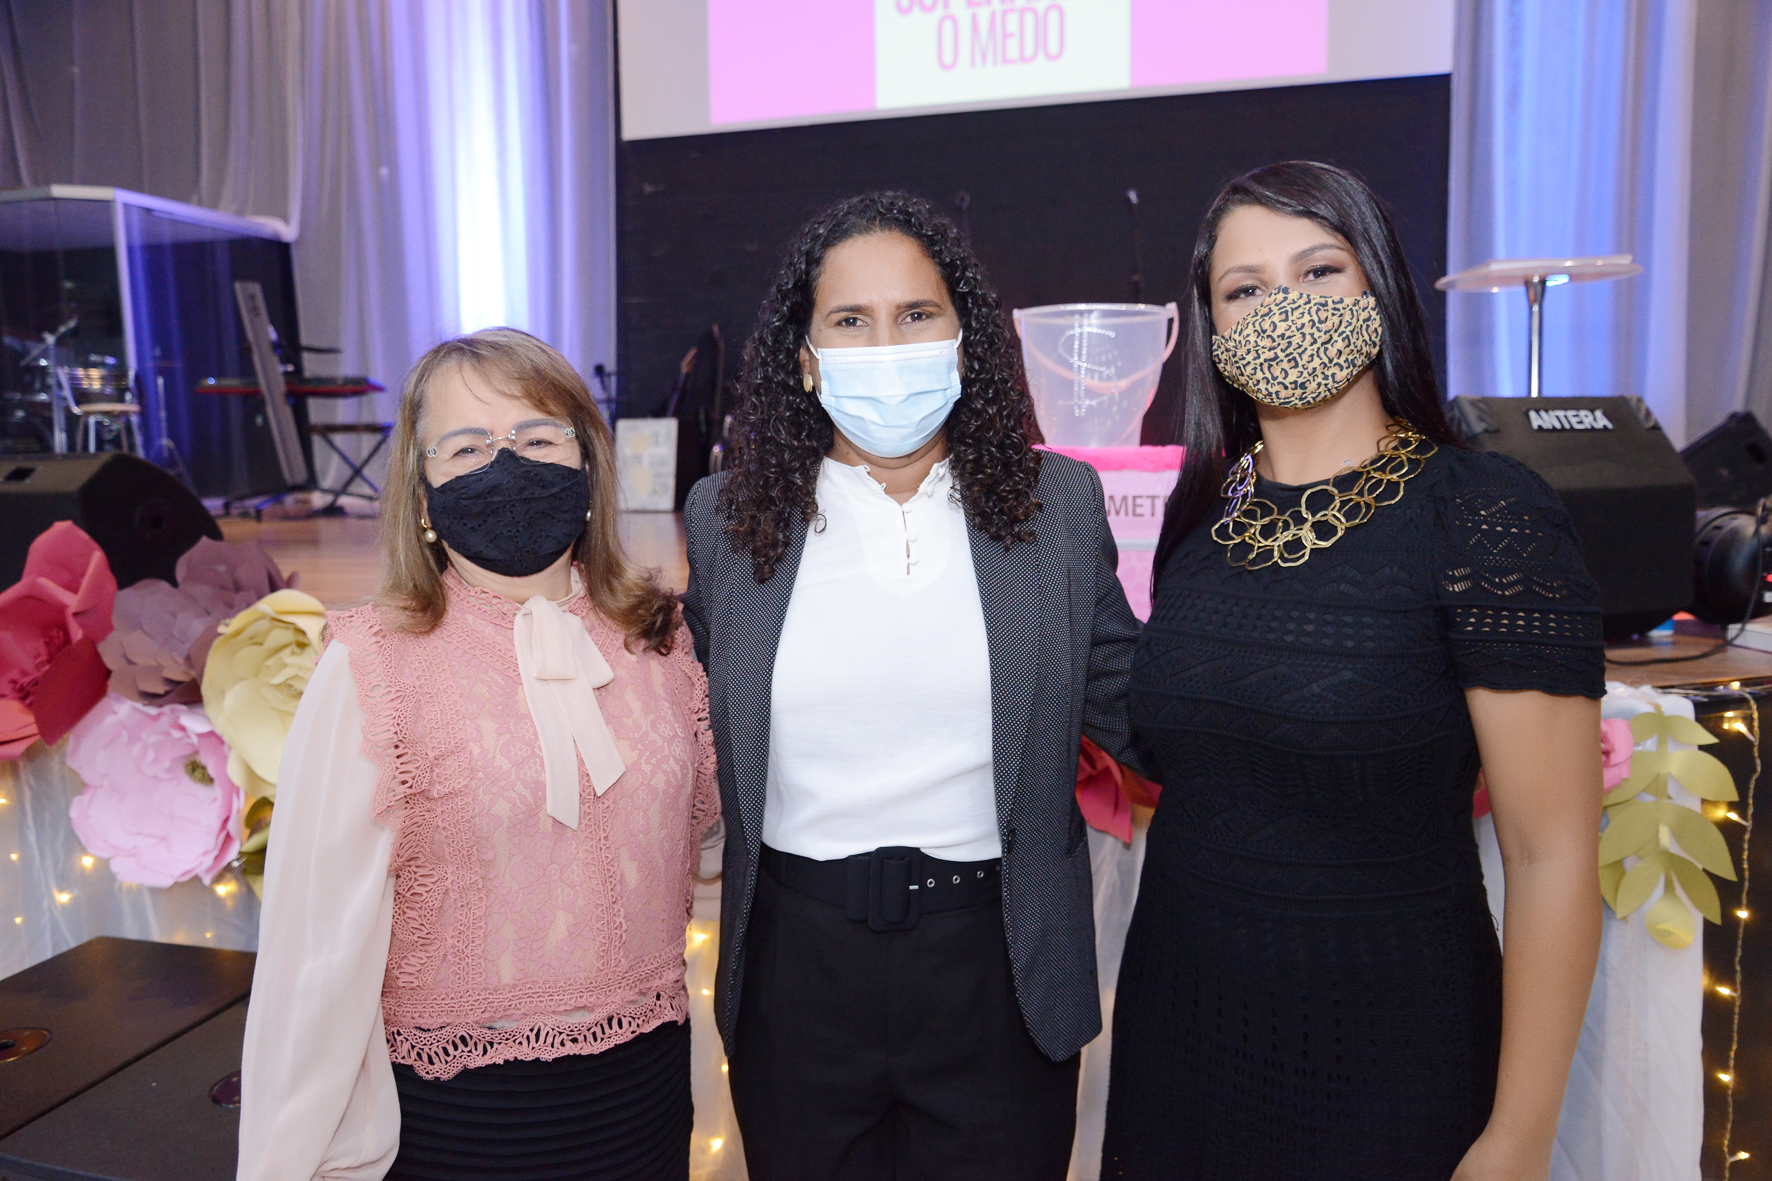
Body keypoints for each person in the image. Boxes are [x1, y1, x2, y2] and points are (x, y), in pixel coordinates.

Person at [1101, 162, 1605, 1181]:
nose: (1281, 306)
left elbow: (1551, 856)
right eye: (1244, 288)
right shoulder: (1203, 517)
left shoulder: (1479, 511)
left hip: (1390, 1057)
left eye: (1318, 269)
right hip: (1178, 1045)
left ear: (1375, 287)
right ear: (1209, 325)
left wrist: (1516, 1137)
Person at [680, 190, 1153, 1179]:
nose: (882, 343)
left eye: (914, 314)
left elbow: (1140, 709)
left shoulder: (1054, 507)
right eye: (849, 320)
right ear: (803, 358)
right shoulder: (726, 519)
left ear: (964, 339)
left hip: (998, 968)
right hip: (794, 977)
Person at [236, 328, 718, 1181]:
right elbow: (316, 956)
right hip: (463, 1120)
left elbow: (704, 840)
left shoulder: (658, 639)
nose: (507, 466)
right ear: (422, 494)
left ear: (587, 464)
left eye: (536, 439)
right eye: (466, 447)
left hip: (641, 1098)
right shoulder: (371, 667)